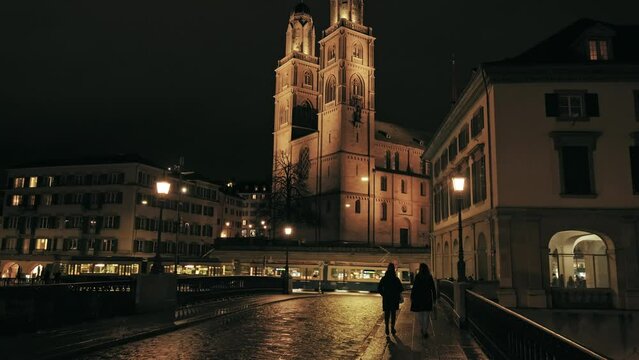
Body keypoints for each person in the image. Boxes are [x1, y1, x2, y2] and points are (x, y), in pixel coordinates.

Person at [410, 263, 438, 338]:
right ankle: (425, 331)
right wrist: (435, 298)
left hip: (419, 298)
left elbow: (414, 288)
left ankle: (422, 328)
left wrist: (412, 296)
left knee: (420, 315)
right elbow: (433, 288)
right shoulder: (429, 277)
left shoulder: (418, 277)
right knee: (426, 315)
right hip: (427, 298)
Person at [377, 263, 404, 336]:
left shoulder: (384, 278)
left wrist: (384, 295)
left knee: (387, 314)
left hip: (386, 299)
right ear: (394, 269)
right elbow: (401, 289)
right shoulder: (396, 279)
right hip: (394, 299)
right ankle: (392, 328)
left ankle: (386, 328)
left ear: (387, 269)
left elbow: (379, 288)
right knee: (393, 314)